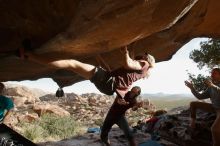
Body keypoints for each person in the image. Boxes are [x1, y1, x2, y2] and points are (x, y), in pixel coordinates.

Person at [21, 46, 155, 101]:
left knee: (71, 63)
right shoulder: (138, 73)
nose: (142, 55)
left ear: (147, 59)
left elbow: (128, 64)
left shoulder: (145, 64)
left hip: (110, 83)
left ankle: (28, 55)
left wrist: (125, 51)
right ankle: (29, 55)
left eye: (144, 55)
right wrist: (99, 59)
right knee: (73, 67)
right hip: (108, 87)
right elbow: (110, 72)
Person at [185, 68, 220, 146]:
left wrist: (213, 86)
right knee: (193, 104)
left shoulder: (212, 86)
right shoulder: (210, 87)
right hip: (214, 107)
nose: (211, 75)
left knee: (214, 129)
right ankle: (192, 123)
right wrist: (192, 88)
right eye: (211, 73)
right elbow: (200, 97)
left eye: (214, 73)